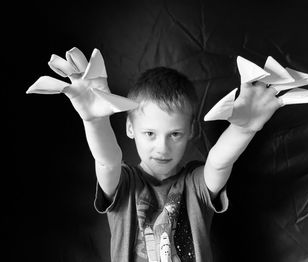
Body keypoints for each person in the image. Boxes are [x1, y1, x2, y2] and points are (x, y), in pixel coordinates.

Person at [33, 48, 282, 262]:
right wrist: (95, 122)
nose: (162, 148)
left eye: (174, 134)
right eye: (150, 133)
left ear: (191, 131)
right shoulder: (125, 183)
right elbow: (107, 161)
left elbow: (218, 163)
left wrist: (243, 129)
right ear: (130, 129)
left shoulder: (194, 184)